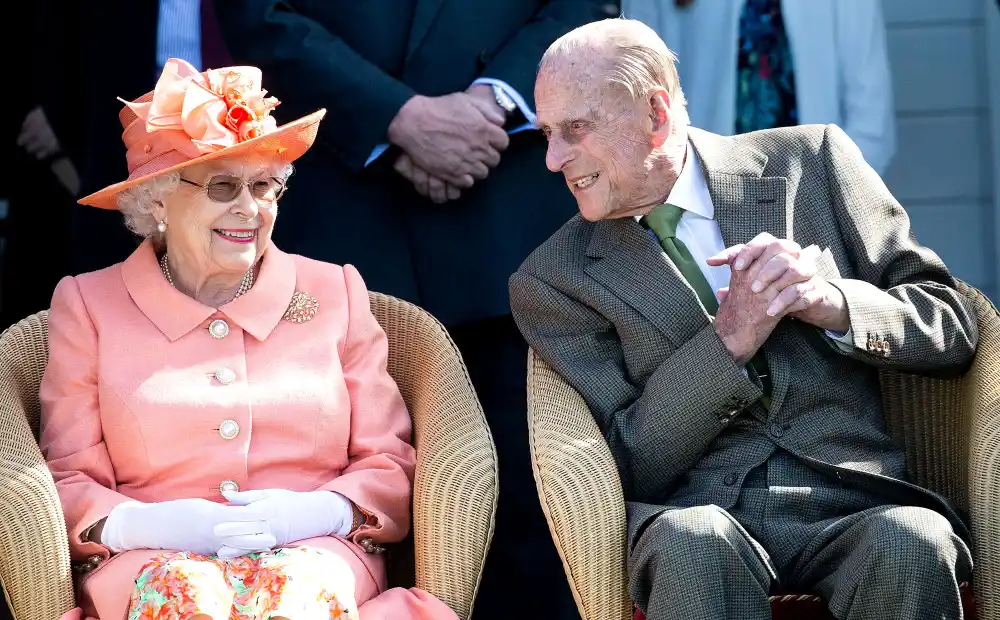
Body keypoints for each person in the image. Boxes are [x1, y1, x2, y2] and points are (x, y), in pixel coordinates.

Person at [510, 19, 977, 620]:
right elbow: (625, 459)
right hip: (699, 512)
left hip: (856, 497)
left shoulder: (815, 163)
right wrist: (730, 337)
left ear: (655, 114)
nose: (552, 160)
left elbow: (953, 327)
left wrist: (831, 302)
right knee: (695, 545)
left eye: (574, 129)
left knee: (913, 540)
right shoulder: (552, 279)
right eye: (546, 133)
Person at [214, 2, 616, 617]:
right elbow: (261, 14)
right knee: (339, 490)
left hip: (509, 208)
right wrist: (394, 118)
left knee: (536, 494)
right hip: (344, 208)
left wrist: (491, 105)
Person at [39, 58, 458, 620]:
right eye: (223, 185)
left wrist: (318, 514)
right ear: (157, 198)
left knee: (289, 596)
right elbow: (65, 480)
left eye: (265, 186)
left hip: (315, 556)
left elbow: (388, 460)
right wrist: (151, 524)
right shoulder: (89, 305)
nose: (249, 208)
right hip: (147, 560)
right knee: (187, 598)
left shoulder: (335, 291)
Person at [622, 0, 896, 175]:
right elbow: (641, 88)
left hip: (815, 201)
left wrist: (830, 202)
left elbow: (871, 121)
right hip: (704, 196)